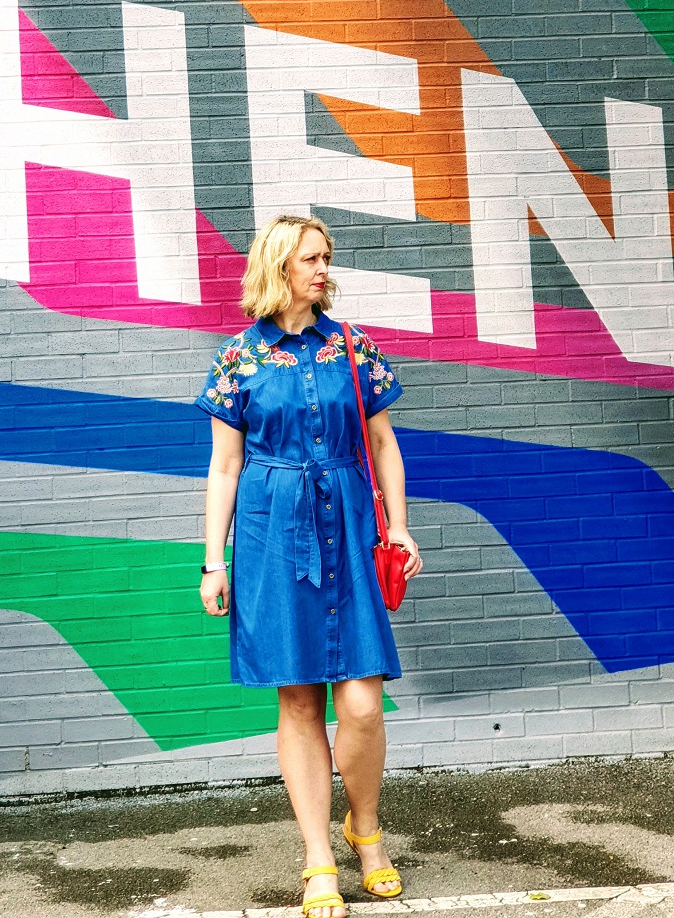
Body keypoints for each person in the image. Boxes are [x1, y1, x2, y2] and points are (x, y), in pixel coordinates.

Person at [196, 214, 422, 918]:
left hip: (349, 527)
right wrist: (213, 560)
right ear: (278, 267)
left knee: (361, 702)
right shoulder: (239, 357)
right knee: (297, 699)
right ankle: (319, 856)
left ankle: (365, 826)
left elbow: (383, 443)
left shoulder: (354, 346)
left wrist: (402, 524)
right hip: (270, 532)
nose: (323, 268)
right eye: (310, 258)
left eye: (327, 257)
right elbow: (225, 465)